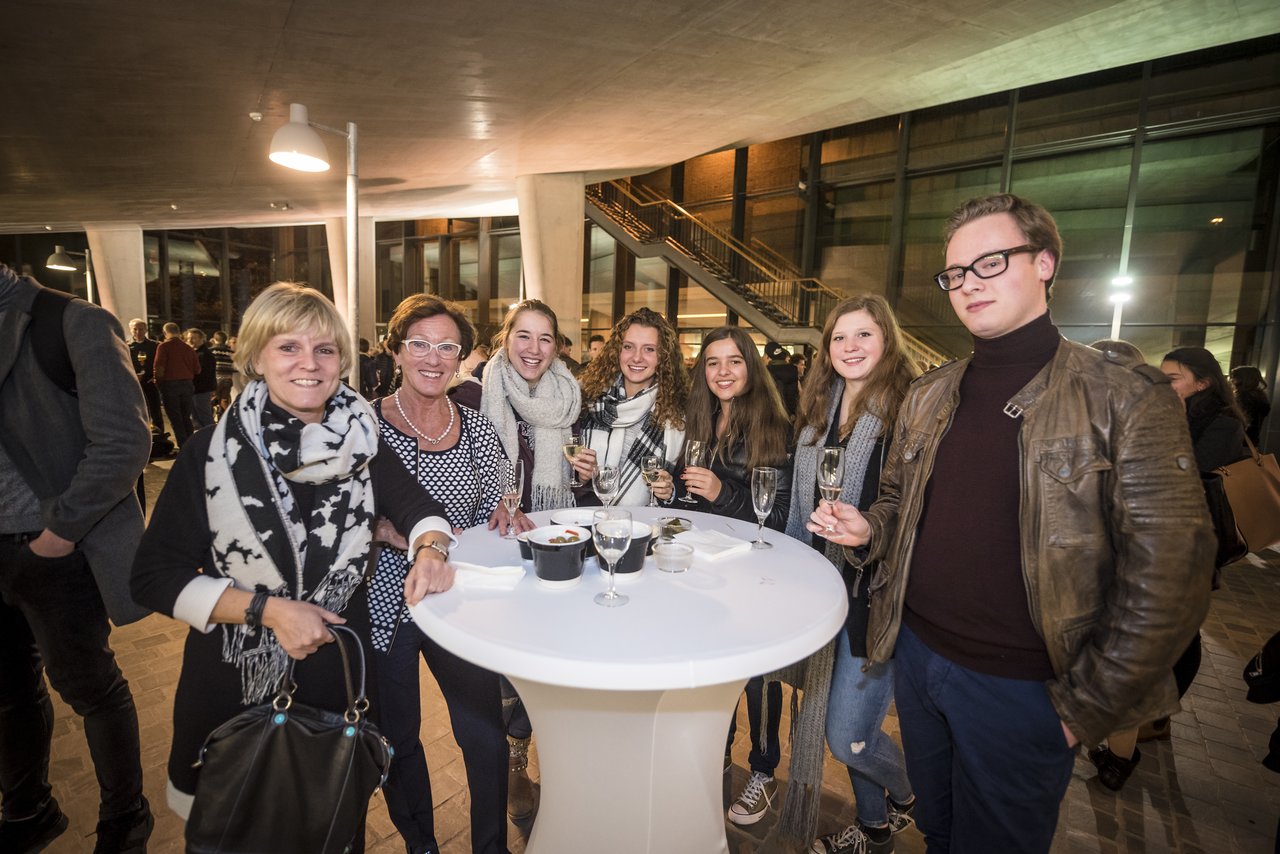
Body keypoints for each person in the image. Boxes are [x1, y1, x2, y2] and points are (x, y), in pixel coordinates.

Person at [809, 193, 1214, 852]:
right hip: (916, 658)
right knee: (939, 831)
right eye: (957, 273)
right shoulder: (932, 392)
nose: (969, 284)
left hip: (1022, 687)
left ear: (1045, 263)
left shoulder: (1123, 397)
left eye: (990, 263)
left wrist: (1084, 711)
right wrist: (869, 529)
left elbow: (1173, 576)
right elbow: (896, 500)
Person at [130, 283, 458, 837]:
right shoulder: (210, 452)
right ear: (256, 357)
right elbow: (152, 577)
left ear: (341, 362)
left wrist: (431, 548)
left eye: (325, 350)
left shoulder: (362, 446)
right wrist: (269, 611)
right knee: (237, 832)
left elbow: (421, 507)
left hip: (338, 688)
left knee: (333, 829)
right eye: (289, 347)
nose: (309, 363)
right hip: (232, 688)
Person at [0, 263, 154, 852]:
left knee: (91, 689)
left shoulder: (71, 321)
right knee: (10, 690)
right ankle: (27, 810)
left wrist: (57, 536)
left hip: (49, 552)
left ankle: (125, 818)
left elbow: (124, 442)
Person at [369, 294, 511, 854]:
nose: (434, 357)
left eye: (447, 346)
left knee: (485, 736)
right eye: (420, 344)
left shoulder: (477, 429)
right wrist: (385, 531)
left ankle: (491, 847)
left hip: (458, 602)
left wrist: (506, 508)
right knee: (398, 738)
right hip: (384, 603)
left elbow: (497, 501)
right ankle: (421, 844)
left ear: (461, 358)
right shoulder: (365, 426)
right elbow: (342, 514)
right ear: (396, 351)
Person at [1086, 344, 1250, 789]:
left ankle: (1138, 729)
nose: (1163, 383)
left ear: (1203, 382)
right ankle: (1137, 725)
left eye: (1173, 377)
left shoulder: (1221, 423)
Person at [788, 295, 917, 853]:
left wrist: (864, 530)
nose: (851, 347)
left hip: (875, 595)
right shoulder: (821, 413)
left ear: (886, 341)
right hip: (822, 587)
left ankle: (917, 793)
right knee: (847, 728)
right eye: (840, 338)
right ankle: (874, 827)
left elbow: (911, 514)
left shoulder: (907, 414)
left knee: (848, 736)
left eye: (863, 335)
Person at [458, 297, 578, 820]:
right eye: (523, 336)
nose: (534, 348)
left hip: (555, 537)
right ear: (506, 338)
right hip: (500, 542)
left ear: (557, 346)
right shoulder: (471, 393)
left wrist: (586, 476)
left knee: (551, 653)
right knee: (506, 660)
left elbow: (581, 476)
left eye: (545, 338)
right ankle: (513, 757)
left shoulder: (571, 395)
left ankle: (540, 748)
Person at [678, 326, 793, 828]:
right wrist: (672, 489)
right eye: (712, 363)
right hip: (708, 564)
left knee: (759, 676)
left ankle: (763, 770)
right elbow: (693, 499)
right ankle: (716, 752)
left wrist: (720, 493)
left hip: (756, 570)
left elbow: (781, 514)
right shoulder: (700, 419)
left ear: (751, 367)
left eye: (734, 362)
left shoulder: (774, 426)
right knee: (714, 667)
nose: (722, 372)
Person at [571, 307, 688, 506]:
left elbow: (684, 490)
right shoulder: (586, 400)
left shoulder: (677, 413)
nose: (636, 357)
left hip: (644, 528)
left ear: (663, 357)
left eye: (649, 349)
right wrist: (581, 477)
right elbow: (564, 477)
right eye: (628, 347)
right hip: (586, 520)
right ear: (617, 350)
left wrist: (670, 491)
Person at [153, 321, 200, 447]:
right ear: (179, 332)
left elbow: (159, 368)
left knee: (175, 418)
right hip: (187, 384)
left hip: (170, 385)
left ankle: (183, 445)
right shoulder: (188, 348)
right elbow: (197, 369)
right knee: (186, 416)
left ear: (164, 333)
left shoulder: (164, 347)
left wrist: (158, 383)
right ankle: (191, 444)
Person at [127, 318, 164, 434]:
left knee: (155, 410)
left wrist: (154, 377)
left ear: (146, 330)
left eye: (141, 329)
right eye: (135, 329)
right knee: (136, 410)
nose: (138, 332)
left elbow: (160, 364)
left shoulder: (155, 345)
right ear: (130, 330)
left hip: (150, 382)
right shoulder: (126, 346)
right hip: (133, 383)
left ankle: (160, 435)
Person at [185, 328, 217, 429]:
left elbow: (203, 374)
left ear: (202, 339)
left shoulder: (204, 355)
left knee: (204, 416)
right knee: (196, 417)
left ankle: (213, 438)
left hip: (201, 390)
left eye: (193, 338)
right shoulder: (195, 353)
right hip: (196, 390)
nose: (190, 341)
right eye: (189, 338)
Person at [1231, 365, 1271, 446]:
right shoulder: (1261, 397)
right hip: (1252, 443)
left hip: (1238, 443)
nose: (1232, 380)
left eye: (1234, 377)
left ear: (1243, 379)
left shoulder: (1243, 398)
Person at [765, 341, 800, 417]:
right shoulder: (793, 370)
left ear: (767, 356)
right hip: (791, 414)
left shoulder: (766, 372)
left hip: (772, 415)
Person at [209, 330, 235, 415]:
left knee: (211, 398)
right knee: (224, 400)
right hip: (228, 378)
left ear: (214, 339)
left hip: (215, 378)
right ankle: (226, 417)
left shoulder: (212, 350)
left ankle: (209, 419)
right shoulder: (231, 352)